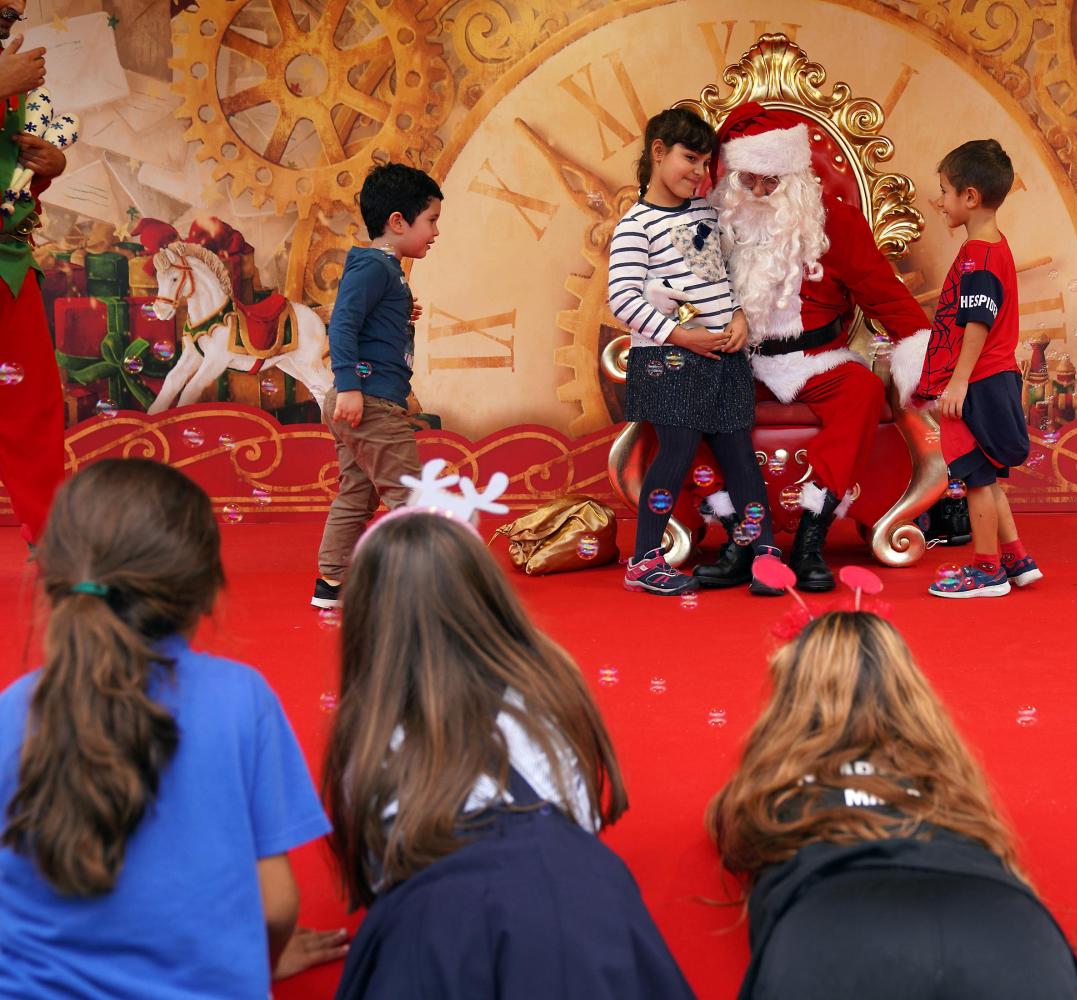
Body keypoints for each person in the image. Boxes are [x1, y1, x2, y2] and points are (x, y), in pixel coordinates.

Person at [323, 496, 695, 999]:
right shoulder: (548, 680)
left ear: (367, 616)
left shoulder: (366, 727)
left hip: (436, 920)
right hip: (574, 894)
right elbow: (578, 812)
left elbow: (381, 863)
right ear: (486, 591)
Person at [0, 459, 329, 997]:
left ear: (57, 583)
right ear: (205, 591)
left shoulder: (12, 710)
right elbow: (274, 907)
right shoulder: (240, 698)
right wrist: (258, 961)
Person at [707, 611, 1077, 999]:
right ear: (912, 689)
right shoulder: (945, 775)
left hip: (831, 931)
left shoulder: (775, 788)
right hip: (1006, 929)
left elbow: (728, 824)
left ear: (789, 697)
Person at [710, 102, 932, 592]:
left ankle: (813, 534)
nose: (761, 192)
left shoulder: (836, 224)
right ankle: (740, 537)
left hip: (818, 361)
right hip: (741, 362)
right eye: (749, 181)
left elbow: (881, 291)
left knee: (863, 391)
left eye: (773, 181)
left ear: (796, 176)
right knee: (691, 396)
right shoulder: (716, 225)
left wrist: (917, 348)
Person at [608, 107, 781, 597]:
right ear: (658, 152)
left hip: (724, 361)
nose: (698, 172)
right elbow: (622, 297)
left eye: (706, 163)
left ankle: (765, 553)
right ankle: (644, 560)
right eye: (689, 158)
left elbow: (728, 275)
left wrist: (741, 316)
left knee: (740, 456)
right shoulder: (635, 226)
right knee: (677, 454)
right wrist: (679, 335)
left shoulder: (707, 213)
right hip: (670, 362)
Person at [312, 162, 441, 609]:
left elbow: (365, 322)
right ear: (398, 222)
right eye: (431, 220)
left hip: (362, 400)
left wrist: (398, 314)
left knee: (357, 492)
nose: (436, 232)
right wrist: (347, 384)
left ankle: (332, 582)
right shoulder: (374, 266)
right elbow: (343, 323)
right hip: (368, 402)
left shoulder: (387, 270)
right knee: (409, 494)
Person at [917, 140, 1041, 598]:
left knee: (975, 476)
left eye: (945, 191)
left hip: (978, 381)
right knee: (986, 473)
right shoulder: (991, 246)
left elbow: (977, 323)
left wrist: (959, 381)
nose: (941, 200)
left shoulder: (979, 257)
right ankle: (1017, 558)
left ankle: (986, 569)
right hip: (993, 377)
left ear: (970, 197)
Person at [0, 14, 65, 551]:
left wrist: (48, 166)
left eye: (14, 15)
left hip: (10, 260)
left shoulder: (17, 81)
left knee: (34, 402)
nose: (8, 24)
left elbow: (12, 181)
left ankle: (49, 531)